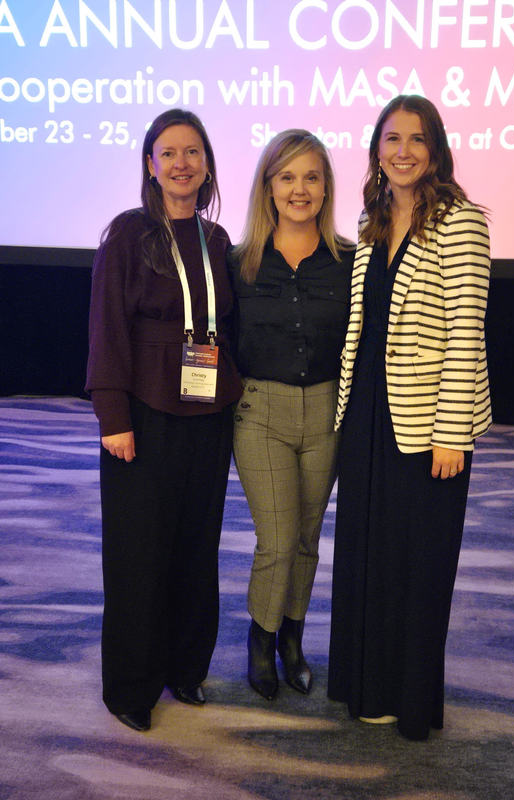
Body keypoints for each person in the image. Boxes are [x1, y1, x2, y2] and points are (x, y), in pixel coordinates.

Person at [327, 95, 492, 741]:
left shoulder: (462, 221)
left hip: (429, 422)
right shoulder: (371, 221)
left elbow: (463, 331)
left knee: (419, 560)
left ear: (436, 149)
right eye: (391, 138)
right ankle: (365, 684)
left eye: (416, 139)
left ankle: (412, 697)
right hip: (368, 407)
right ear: (375, 149)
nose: (403, 150)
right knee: (367, 549)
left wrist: (452, 433)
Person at [86, 109, 242, 732]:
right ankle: (131, 687)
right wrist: (112, 415)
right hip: (142, 417)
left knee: (196, 550)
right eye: (168, 153)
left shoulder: (218, 240)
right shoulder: (128, 234)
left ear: (207, 165)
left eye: (192, 153)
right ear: (150, 164)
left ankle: (185, 669)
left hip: (208, 415)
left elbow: (226, 327)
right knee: (138, 553)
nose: (182, 164)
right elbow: (107, 331)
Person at [229, 130, 354, 700]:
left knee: (306, 537)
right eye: (287, 177)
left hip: (327, 410)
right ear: (268, 187)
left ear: (326, 187)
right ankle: (261, 639)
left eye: (311, 177)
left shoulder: (350, 262)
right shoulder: (239, 263)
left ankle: (292, 643)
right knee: (276, 538)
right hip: (261, 413)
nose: (299, 189)